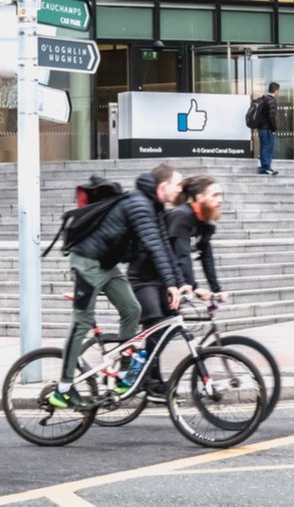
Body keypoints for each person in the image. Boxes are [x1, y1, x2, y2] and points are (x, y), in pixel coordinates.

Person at [50, 163, 184, 409]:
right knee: (81, 323)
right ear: (164, 186)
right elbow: (153, 246)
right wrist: (171, 285)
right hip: (87, 263)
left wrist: (178, 283)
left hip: (107, 265)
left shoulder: (153, 206)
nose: (180, 190)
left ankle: (124, 374)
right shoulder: (140, 205)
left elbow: (164, 245)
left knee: (132, 309)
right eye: (177, 185)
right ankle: (64, 388)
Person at [128, 175, 227, 401]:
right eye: (215, 195)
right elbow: (182, 256)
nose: (220, 200)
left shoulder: (204, 223)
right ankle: (148, 382)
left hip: (167, 278)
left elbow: (206, 257)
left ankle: (142, 376)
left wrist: (217, 289)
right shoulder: (182, 217)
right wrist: (191, 286)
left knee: (167, 328)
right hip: (145, 276)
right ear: (199, 198)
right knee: (156, 326)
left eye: (221, 195)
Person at [256, 82, 280, 176]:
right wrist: (274, 129)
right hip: (267, 129)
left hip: (261, 128)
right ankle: (266, 168)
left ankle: (263, 168)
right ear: (276, 91)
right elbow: (271, 116)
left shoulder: (264, 99)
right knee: (267, 148)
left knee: (263, 147)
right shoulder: (271, 101)